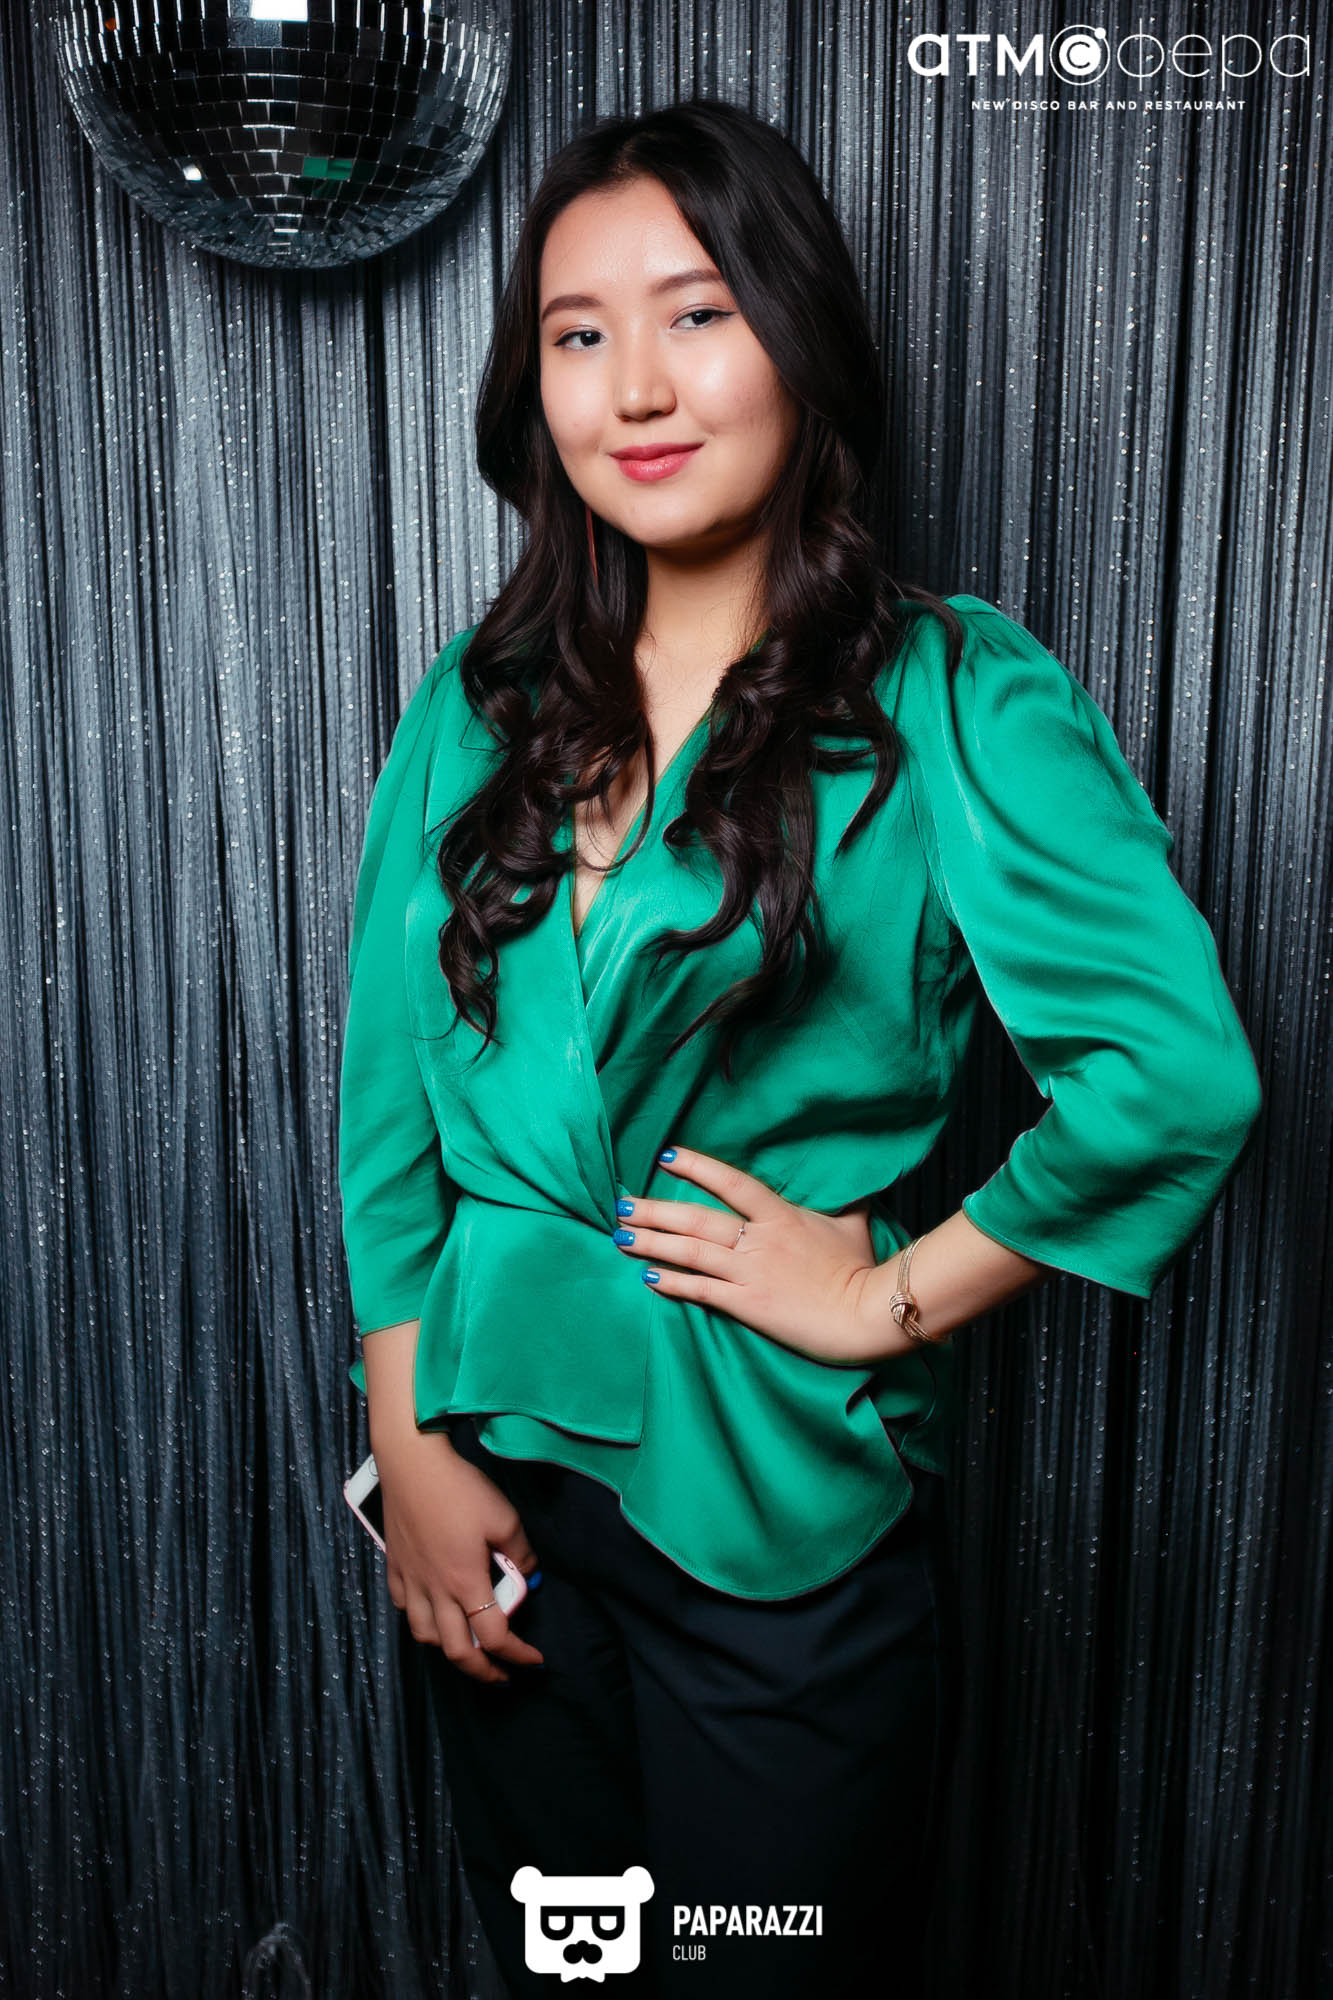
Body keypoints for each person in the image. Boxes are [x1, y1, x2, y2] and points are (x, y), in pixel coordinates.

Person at [337, 99, 1263, 1998]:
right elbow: (390, 1104)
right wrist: (403, 1435)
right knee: (570, 1975)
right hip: (492, 1488)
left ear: (798, 335)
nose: (634, 387)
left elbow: (1173, 1079)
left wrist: (881, 1298)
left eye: (696, 313)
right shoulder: (479, 702)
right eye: (578, 333)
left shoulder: (951, 690)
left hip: (772, 1501)